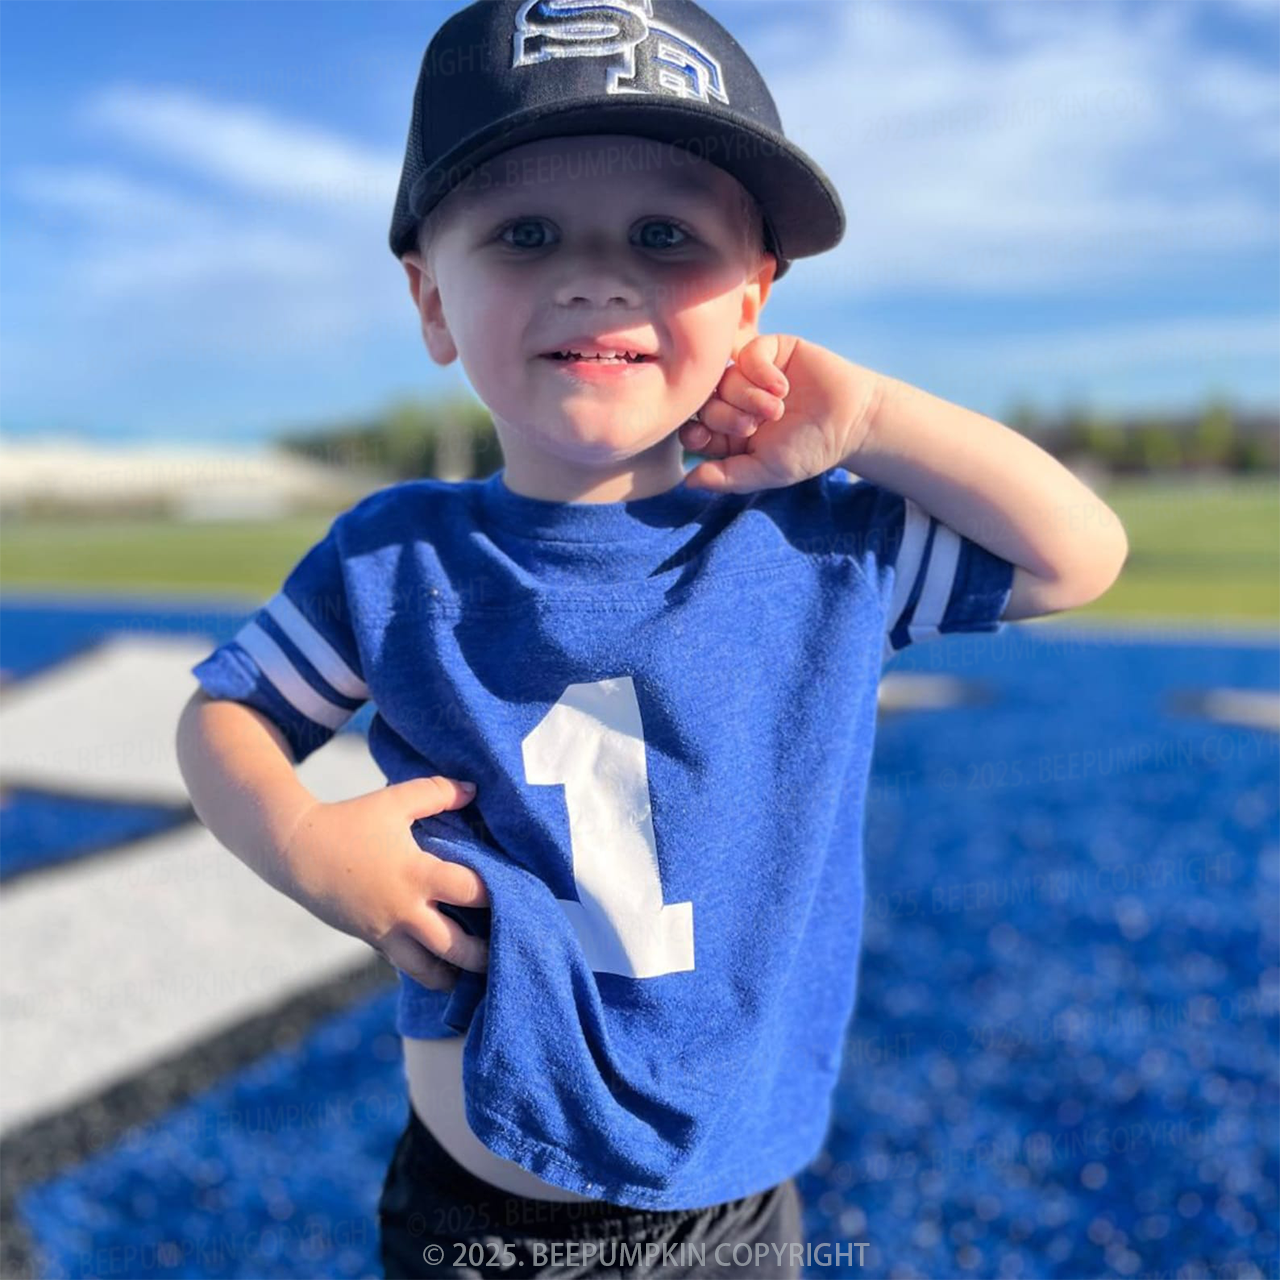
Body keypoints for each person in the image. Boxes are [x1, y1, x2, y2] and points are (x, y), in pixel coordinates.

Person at [175, 1, 1130, 1276]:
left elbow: (1076, 557)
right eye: (523, 230)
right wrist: (300, 840)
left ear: (753, 301)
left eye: (664, 232)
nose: (597, 273)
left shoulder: (816, 541)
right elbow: (224, 711)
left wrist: (879, 420)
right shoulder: (391, 553)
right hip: (481, 1212)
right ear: (430, 297)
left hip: (734, 1207)